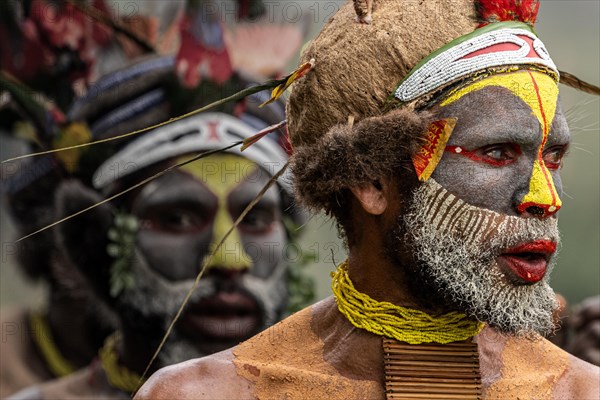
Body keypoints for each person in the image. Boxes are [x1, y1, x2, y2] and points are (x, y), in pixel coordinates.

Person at [136, 1, 600, 399]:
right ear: (373, 183)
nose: (546, 198)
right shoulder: (212, 393)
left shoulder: (581, 391)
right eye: (497, 153)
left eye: (552, 157)